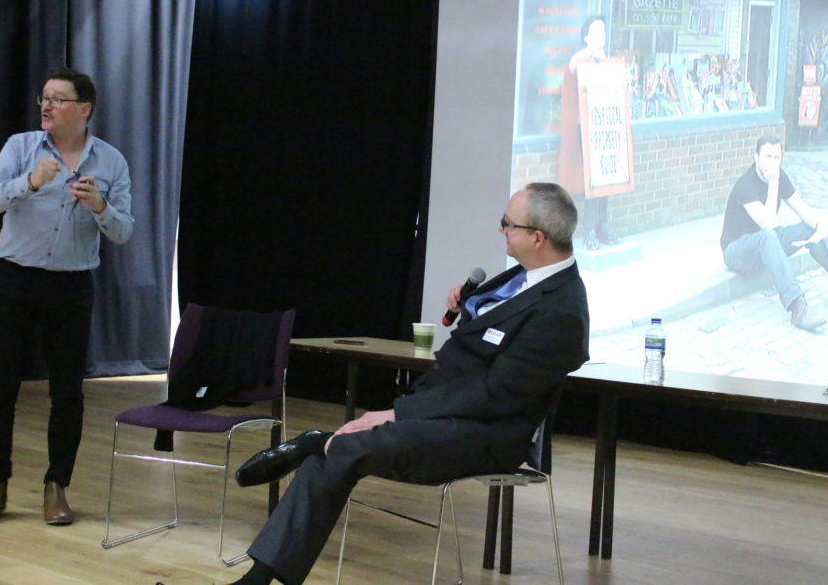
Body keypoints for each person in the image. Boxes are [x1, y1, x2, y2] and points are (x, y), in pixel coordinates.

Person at [230, 182, 589, 585]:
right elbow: (485, 343)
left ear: (537, 238)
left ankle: (315, 442)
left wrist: (395, 412)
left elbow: (495, 395)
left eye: (508, 223)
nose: (501, 229)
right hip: (451, 412)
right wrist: (470, 309)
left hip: (489, 434)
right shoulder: (524, 277)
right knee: (337, 453)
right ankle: (255, 579)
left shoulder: (562, 311)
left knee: (352, 443)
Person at [0, 67, 134, 526]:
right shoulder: (21, 147)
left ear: (84, 109)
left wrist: (99, 206)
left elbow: (124, 231)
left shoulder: (111, 161)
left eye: (58, 99)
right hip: (13, 279)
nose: (46, 105)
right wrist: (31, 182)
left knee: (67, 391)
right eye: (43, 97)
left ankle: (56, 486)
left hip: (70, 284)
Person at [719, 135, 828, 332]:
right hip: (736, 252)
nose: (772, 162)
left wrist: (822, 226)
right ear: (756, 158)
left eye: (776, 157)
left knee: (809, 229)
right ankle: (797, 307)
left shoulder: (782, 177)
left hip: (765, 245)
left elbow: (803, 209)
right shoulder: (745, 184)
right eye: (767, 157)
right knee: (768, 235)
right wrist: (773, 182)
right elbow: (767, 222)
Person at [557, 15, 620, 249]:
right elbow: (575, 70)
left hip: (602, 127)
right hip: (583, 128)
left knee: (605, 178)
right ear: (585, 36)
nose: (601, 35)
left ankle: (602, 225)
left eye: (603, 30)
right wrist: (593, 58)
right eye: (596, 30)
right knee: (593, 180)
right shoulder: (579, 59)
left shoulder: (604, 59)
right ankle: (590, 229)